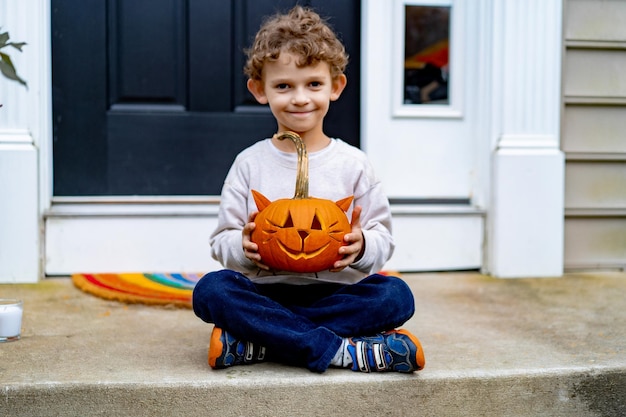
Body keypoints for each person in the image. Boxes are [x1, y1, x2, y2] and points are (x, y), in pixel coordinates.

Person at [192, 5, 425, 374]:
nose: (300, 98)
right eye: (283, 86)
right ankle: (343, 351)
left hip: (337, 293)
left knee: (395, 296)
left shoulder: (354, 164)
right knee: (212, 291)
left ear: (336, 86)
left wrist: (362, 244)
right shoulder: (249, 163)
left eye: (313, 84)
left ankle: (262, 341)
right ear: (259, 90)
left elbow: (383, 241)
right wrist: (243, 247)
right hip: (267, 292)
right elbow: (222, 240)